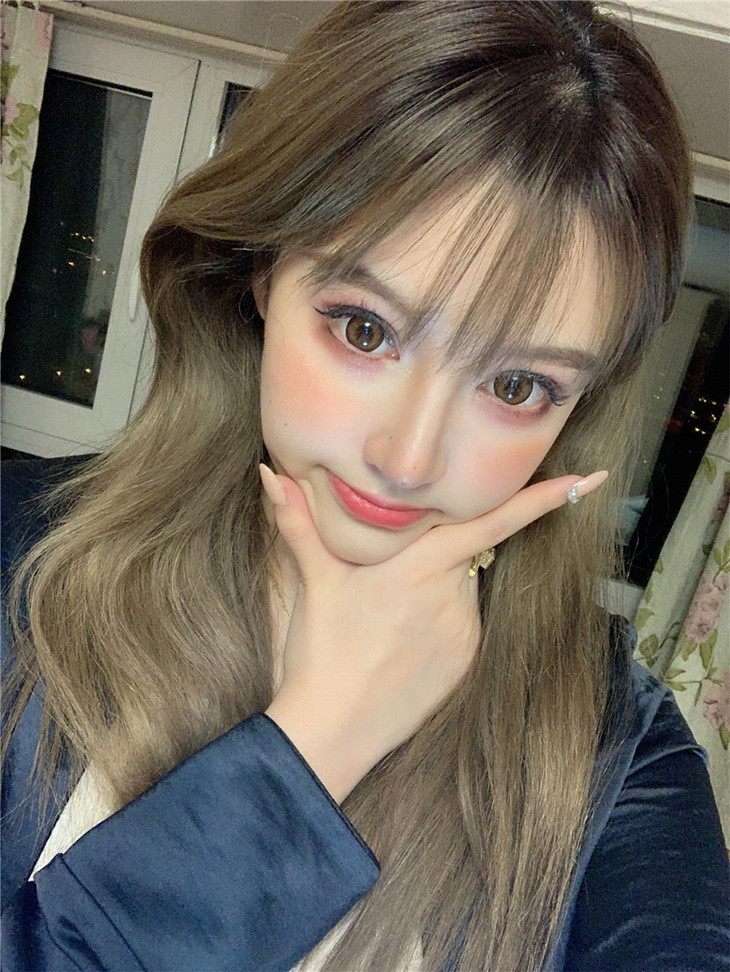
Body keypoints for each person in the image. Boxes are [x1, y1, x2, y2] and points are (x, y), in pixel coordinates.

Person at [2, 1, 729, 969]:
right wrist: (310, 752)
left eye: (517, 386)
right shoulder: (19, 559)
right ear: (264, 272)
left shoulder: (613, 752)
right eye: (364, 329)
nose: (409, 458)